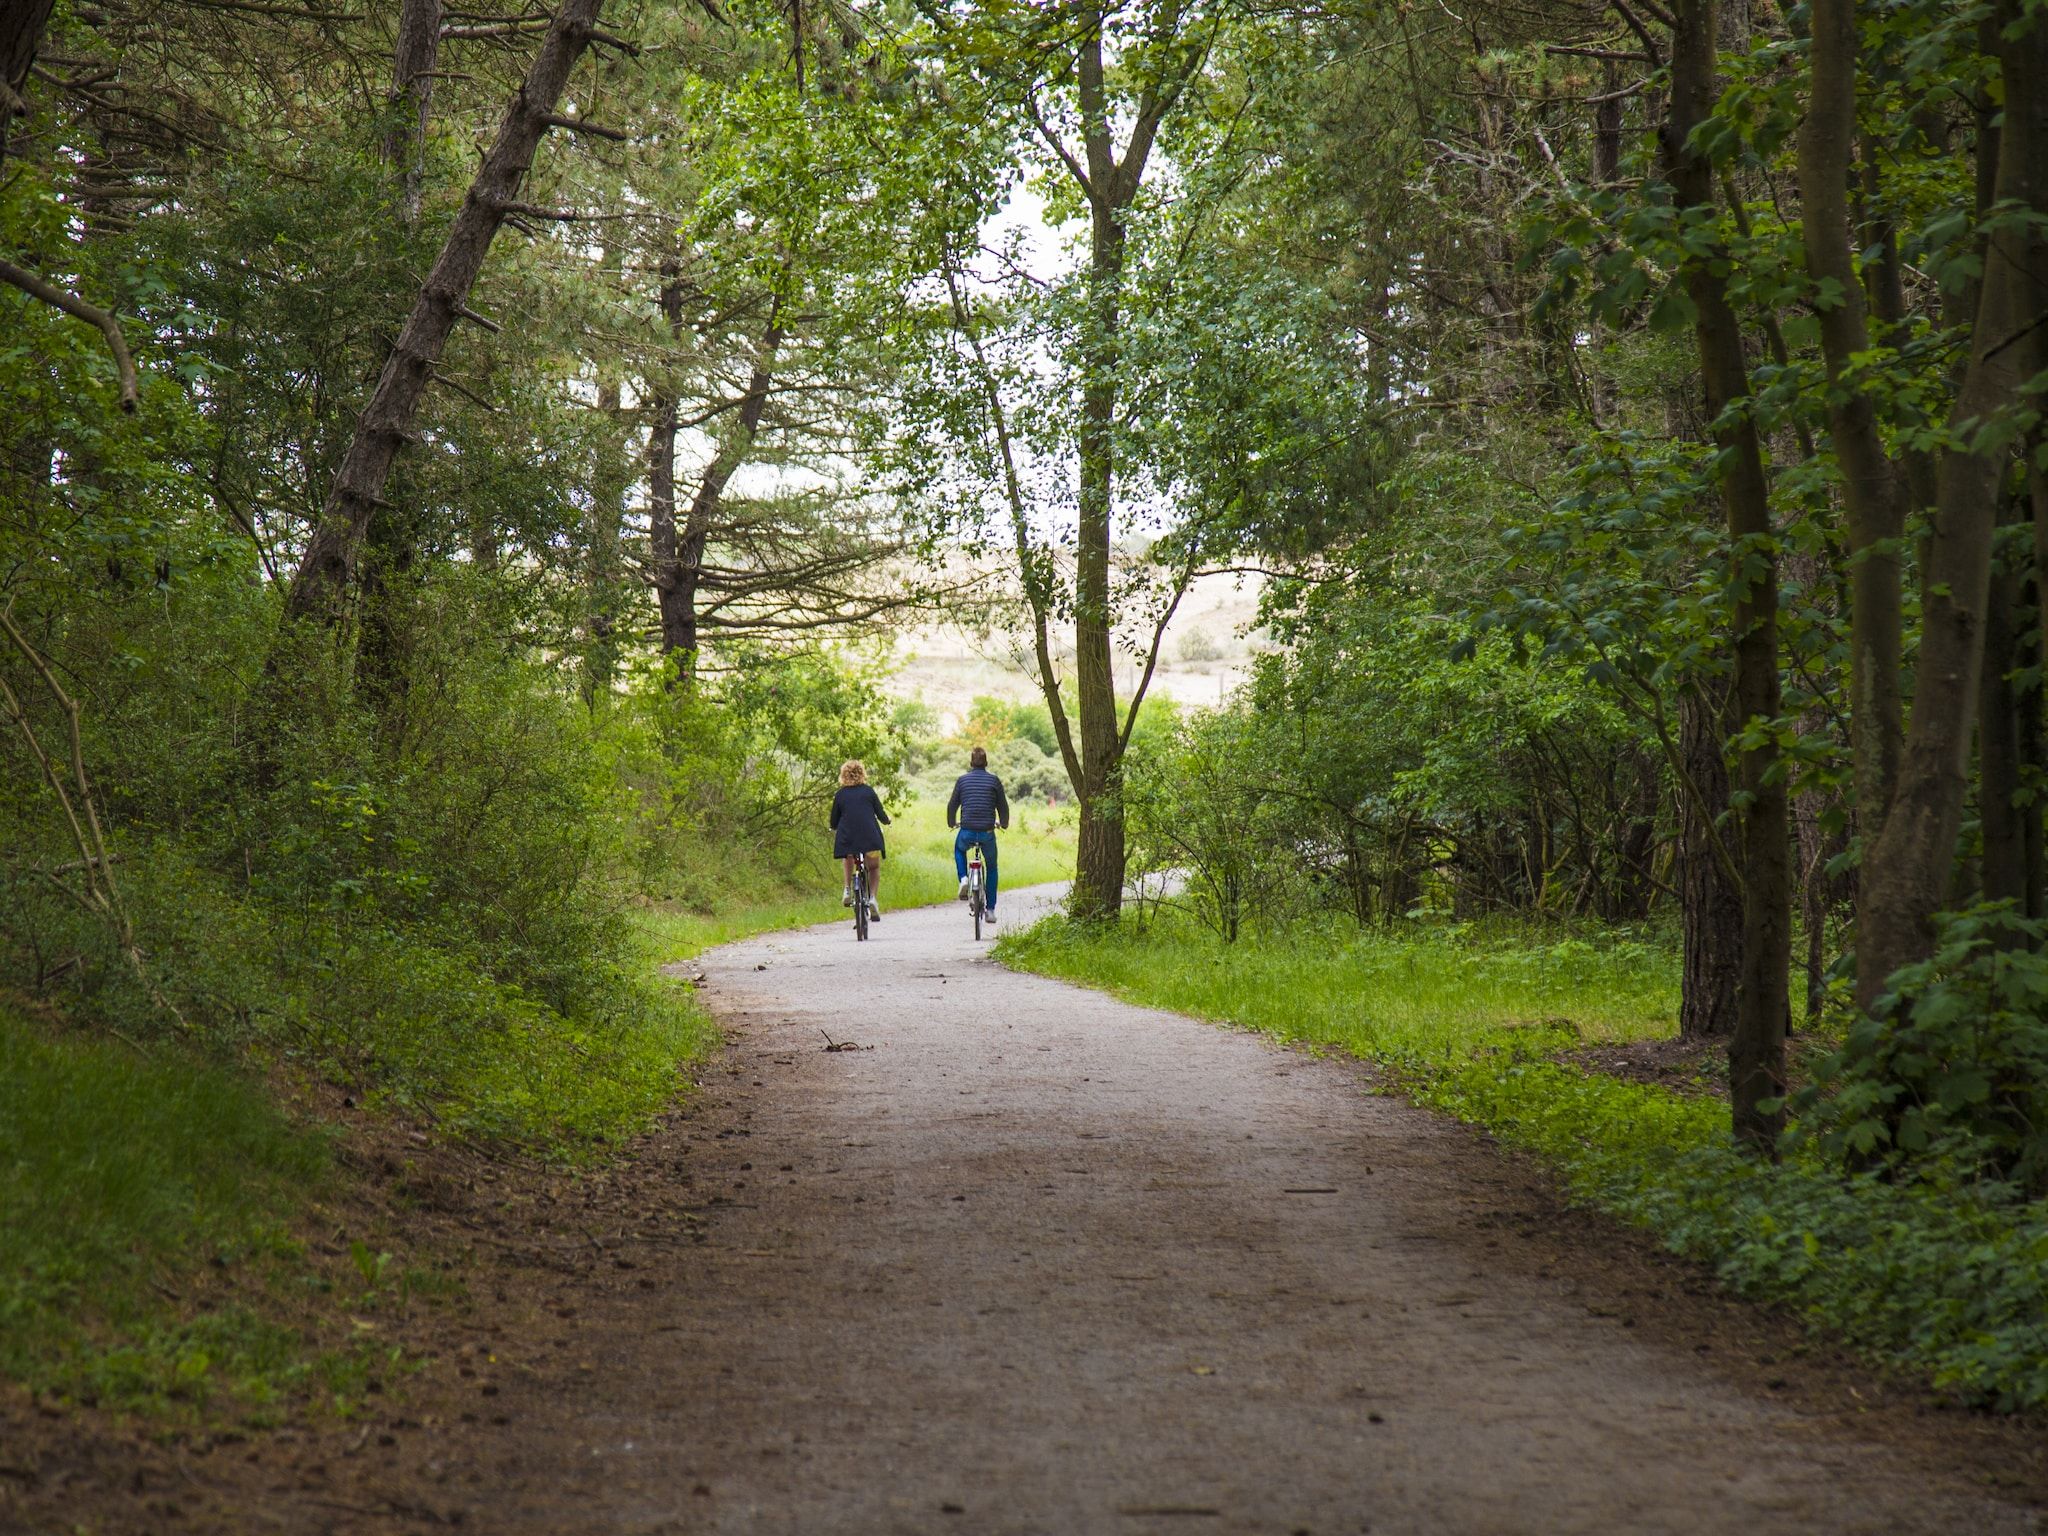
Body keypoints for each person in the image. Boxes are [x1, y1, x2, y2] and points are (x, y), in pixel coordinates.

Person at [947, 745, 1010, 924]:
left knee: (959, 850)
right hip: (987, 832)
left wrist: (951, 823)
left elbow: (952, 806)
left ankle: (964, 878)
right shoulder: (994, 781)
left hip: (966, 831)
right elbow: (1003, 807)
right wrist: (1003, 823)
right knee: (992, 867)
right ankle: (990, 910)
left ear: (971, 763)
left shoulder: (962, 781)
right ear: (986, 763)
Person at [829, 759, 890, 922]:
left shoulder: (840, 794)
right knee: (874, 867)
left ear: (843, 775)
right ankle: (872, 899)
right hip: (869, 836)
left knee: (848, 856)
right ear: (862, 774)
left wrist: (833, 826)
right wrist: (887, 821)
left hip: (848, 837)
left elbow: (834, 820)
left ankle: (847, 889)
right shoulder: (869, 792)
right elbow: (880, 813)